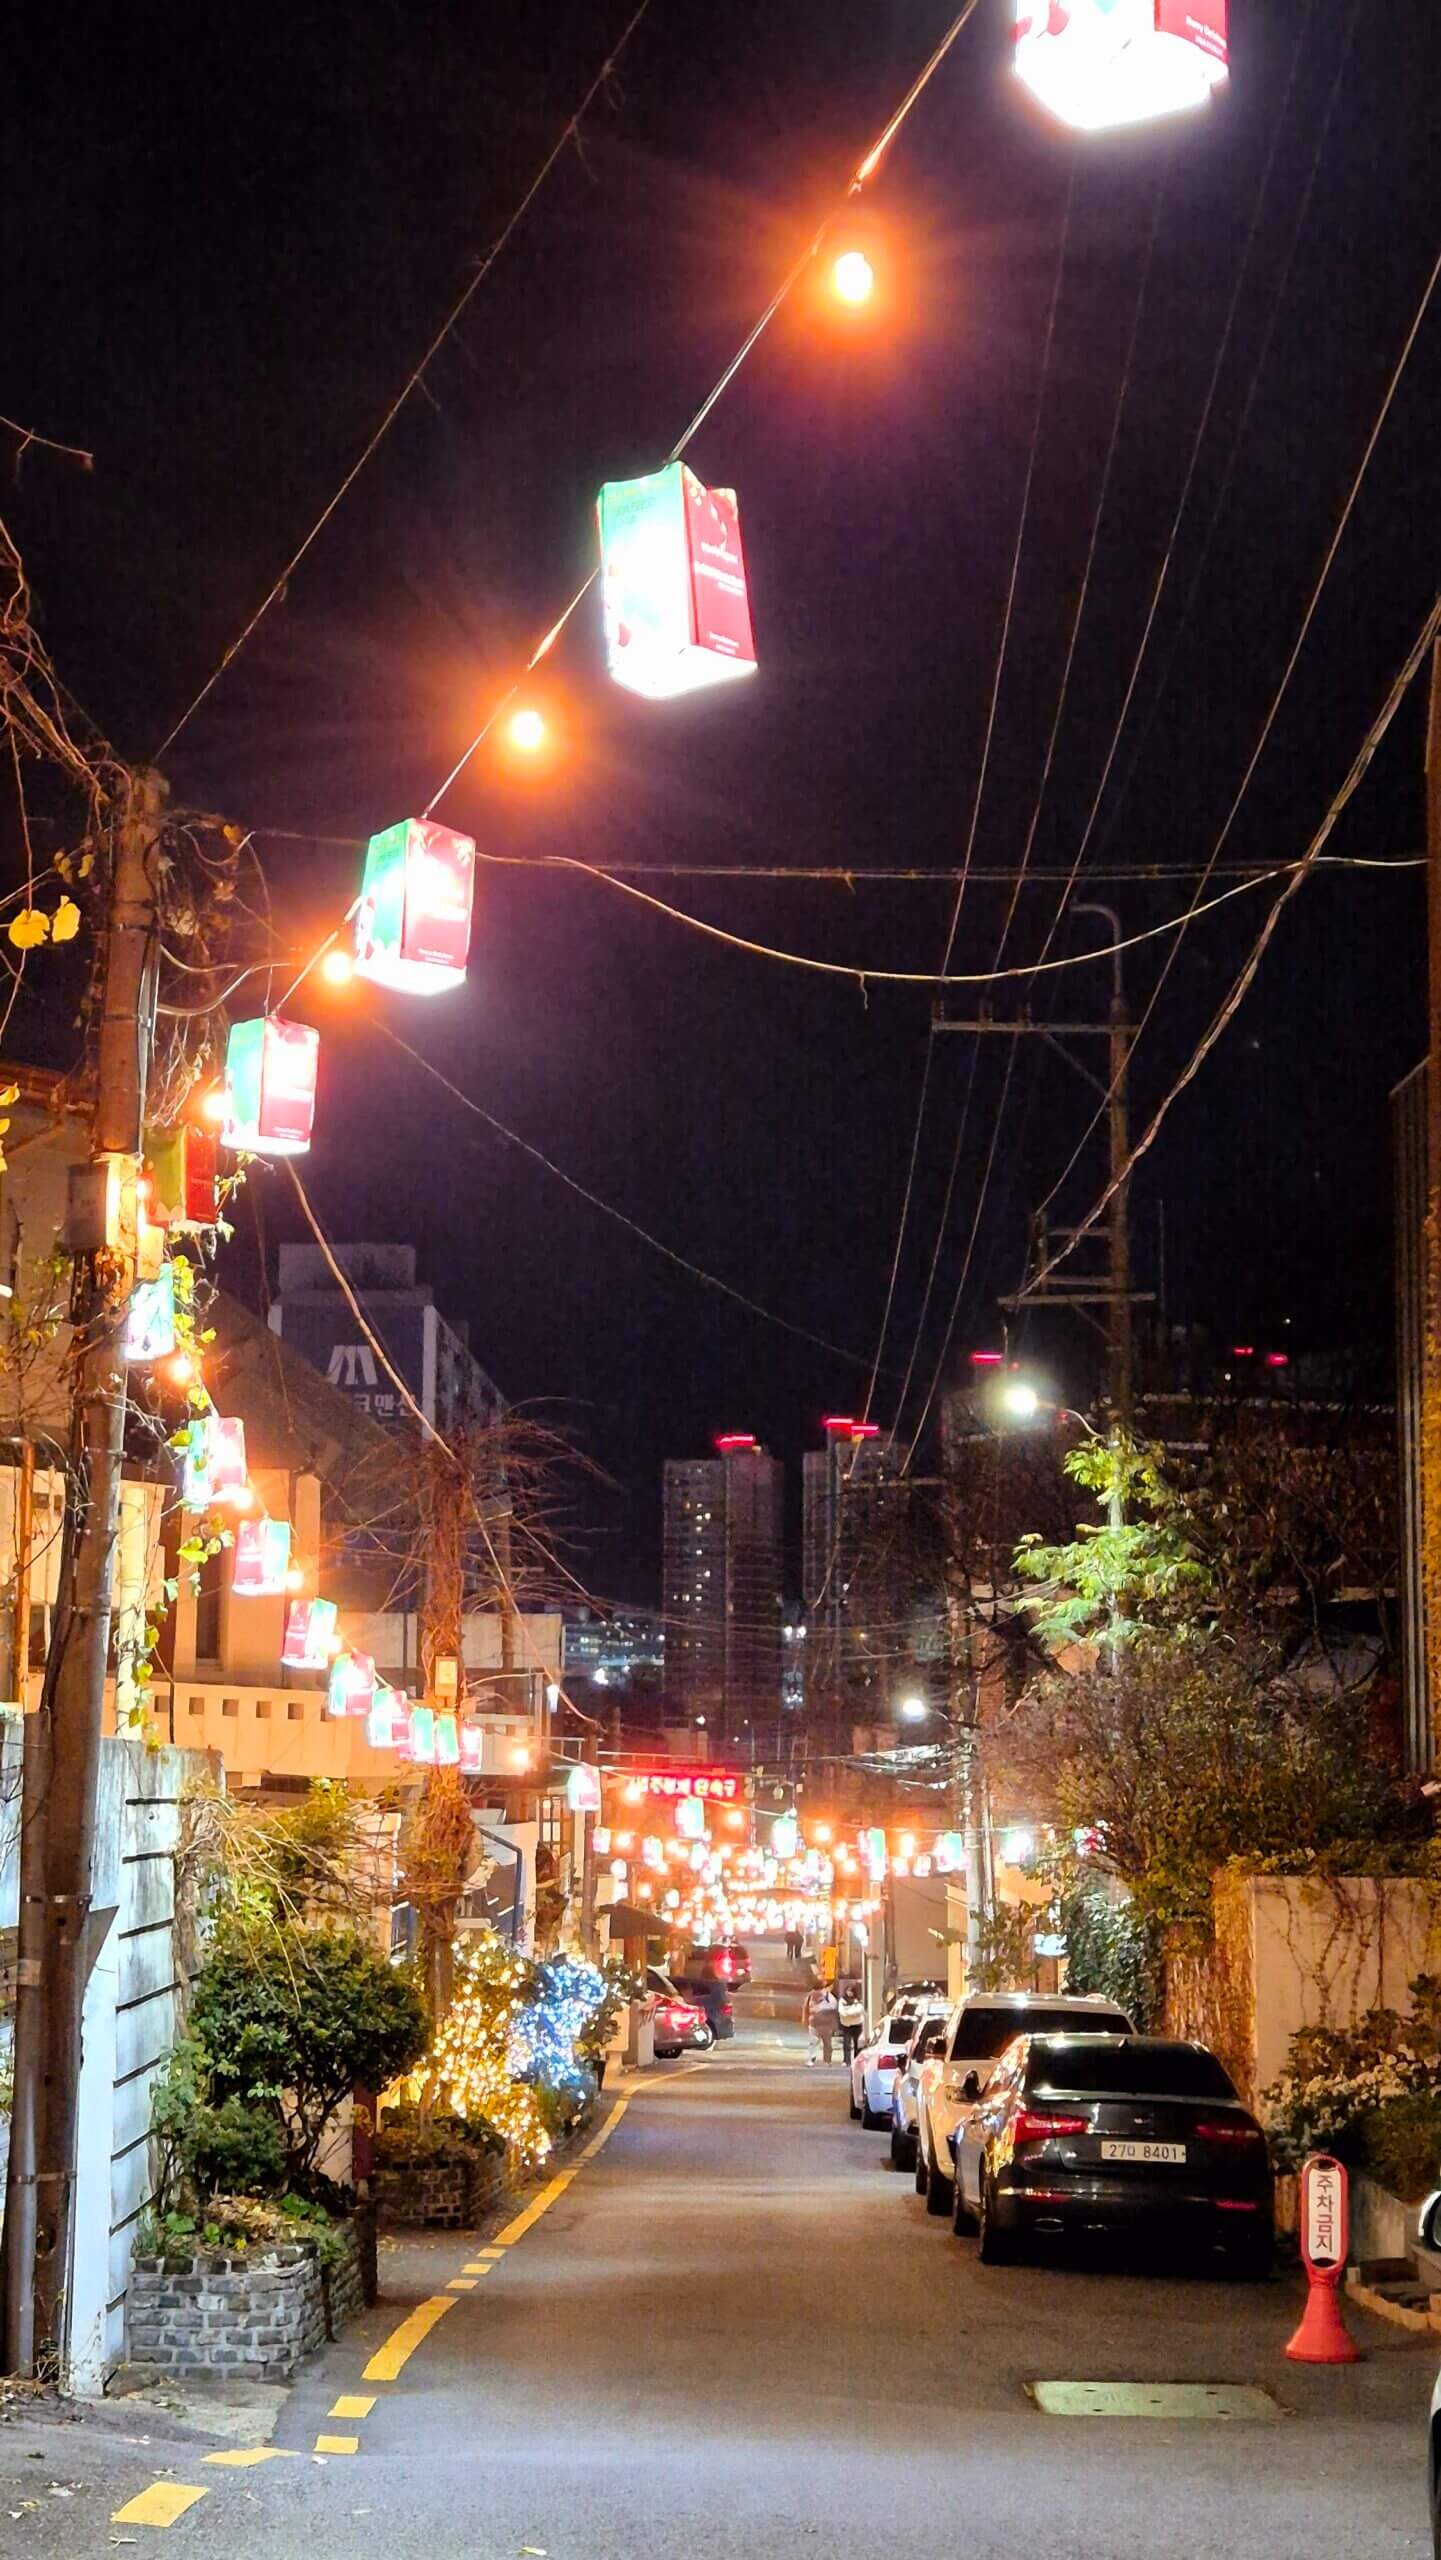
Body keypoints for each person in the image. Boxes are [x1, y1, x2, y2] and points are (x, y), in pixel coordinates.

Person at [803, 1979, 840, 2067]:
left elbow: (805, 2008)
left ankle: (812, 2058)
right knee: (827, 2043)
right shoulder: (828, 1996)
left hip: (814, 2022)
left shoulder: (810, 1996)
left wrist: (805, 2019)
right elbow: (834, 2007)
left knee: (813, 2042)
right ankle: (827, 2061)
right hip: (826, 2023)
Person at [837, 1979, 865, 2066]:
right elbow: (841, 2012)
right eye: (848, 1991)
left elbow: (859, 2011)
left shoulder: (858, 2001)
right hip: (846, 2025)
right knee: (846, 2043)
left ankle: (857, 2060)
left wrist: (848, 2012)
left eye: (851, 1991)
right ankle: (846, 2060)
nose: (849, 1993)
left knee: (857, 2044)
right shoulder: (842, 2000)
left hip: (857, 2025)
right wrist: (850, 2012)